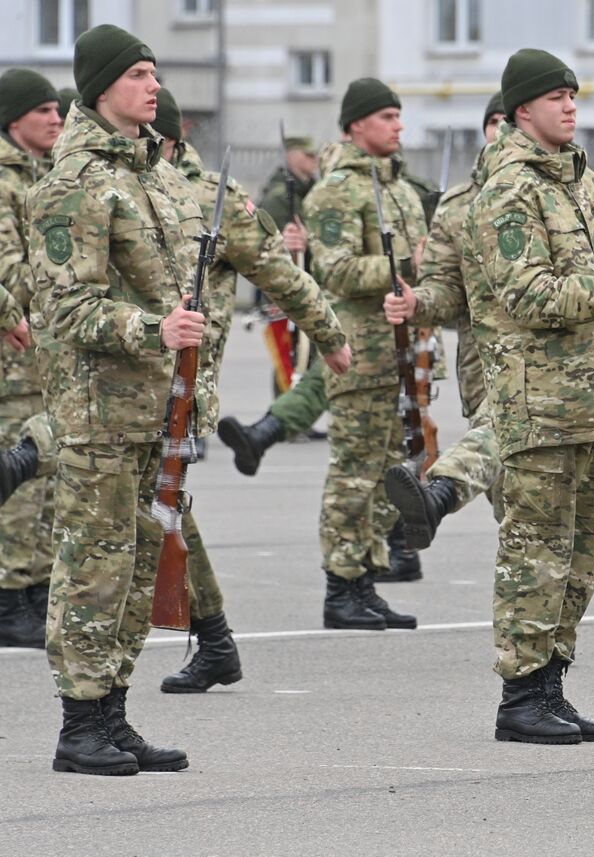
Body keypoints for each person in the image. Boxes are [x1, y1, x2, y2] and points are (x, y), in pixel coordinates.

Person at [389, 50, 594, 746]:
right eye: (555, 97)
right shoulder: (509, 190)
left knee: (581, 552)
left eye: (573, 95)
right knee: (536, 548)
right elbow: (527, 294)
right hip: (539, 398)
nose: (570, 106)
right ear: (521, 110)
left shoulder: (580, 181)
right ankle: (520, 694)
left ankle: (551, 682)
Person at [27, 23, 200, 775]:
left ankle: (114, 713)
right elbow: (66, 311)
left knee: (133, 568)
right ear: (101, 88)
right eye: (137, 74)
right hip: (97, 410)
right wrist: (153, 328)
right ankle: (78, 724)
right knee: (92, 566)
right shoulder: (75, 182)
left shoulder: (144, 173)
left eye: (155, 72)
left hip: (150, 409)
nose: (153, 84)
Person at [154, 88, 349, 691]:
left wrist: (330, 335)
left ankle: (109, 690)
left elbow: (277, 271)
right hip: (117, 378)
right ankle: (212, 642)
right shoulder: (110, 188)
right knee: (158, 512)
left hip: (170, 385)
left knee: (153, 512)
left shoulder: (208, 198)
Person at [302, 78, 424, 629]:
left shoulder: (399, 187)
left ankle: (366, 579)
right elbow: (334, 268)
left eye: (399, 116)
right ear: (355, 126)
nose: (398, 125)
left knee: (386, 476)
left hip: (401, 355)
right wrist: (403, 268)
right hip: (361, 353)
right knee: (354, 473)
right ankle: (340, 586)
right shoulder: (335, 191)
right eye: (386, 117)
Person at [383, 93, 508, 549]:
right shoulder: (457, 207)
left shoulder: (577, 189)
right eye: (493, 120)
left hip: (565, 370)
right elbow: (446, 292)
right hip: (487, 364)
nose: (501, 130)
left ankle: (439, 493)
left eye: (507, 119)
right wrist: (418, 302)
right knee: (511, 500)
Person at [0, 68, 61, 649]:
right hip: (14, 351)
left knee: (45, 477)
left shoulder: (39, 173)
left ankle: (38, 588)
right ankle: (8, 597)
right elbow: (8, 265)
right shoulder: (4, 177)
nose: (55, 117)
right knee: (17, 484)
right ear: (14, 118)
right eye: (42, 109)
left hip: (43, 349)